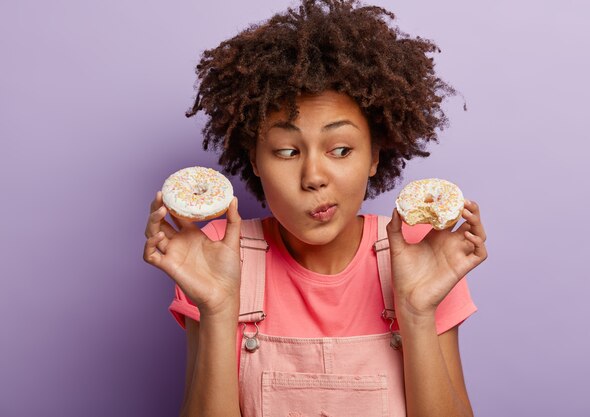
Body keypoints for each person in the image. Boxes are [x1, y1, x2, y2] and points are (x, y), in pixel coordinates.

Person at [143, 1, 488, 416]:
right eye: (287, 151)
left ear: (375, 155)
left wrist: (416, 310)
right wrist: (218, 310)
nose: (313, 176)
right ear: (254, 160)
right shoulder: (216, 252)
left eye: (340, 149)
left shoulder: (422, 249)